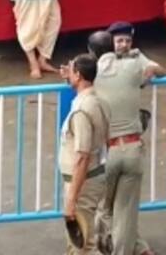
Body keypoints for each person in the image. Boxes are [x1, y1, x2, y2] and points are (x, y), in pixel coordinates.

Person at [93, 22, 159, 255]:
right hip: (132, 148)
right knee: (125, 210)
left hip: (105, 152)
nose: (123, 44)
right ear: (111, 44)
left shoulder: (92, 72)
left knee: (102, 206)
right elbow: (157, 70)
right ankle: (135, 248)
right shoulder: (133, 66)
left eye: (126, 40)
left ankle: (102, 246)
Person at [58, 55, 109, 255]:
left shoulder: (81, 111)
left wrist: (71, 200)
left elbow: (82, 157)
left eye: (71, 71)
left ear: (78, 75)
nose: (68, 74)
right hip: (94, 174)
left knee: (82, 247)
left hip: (83, 182)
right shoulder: (97, 100)